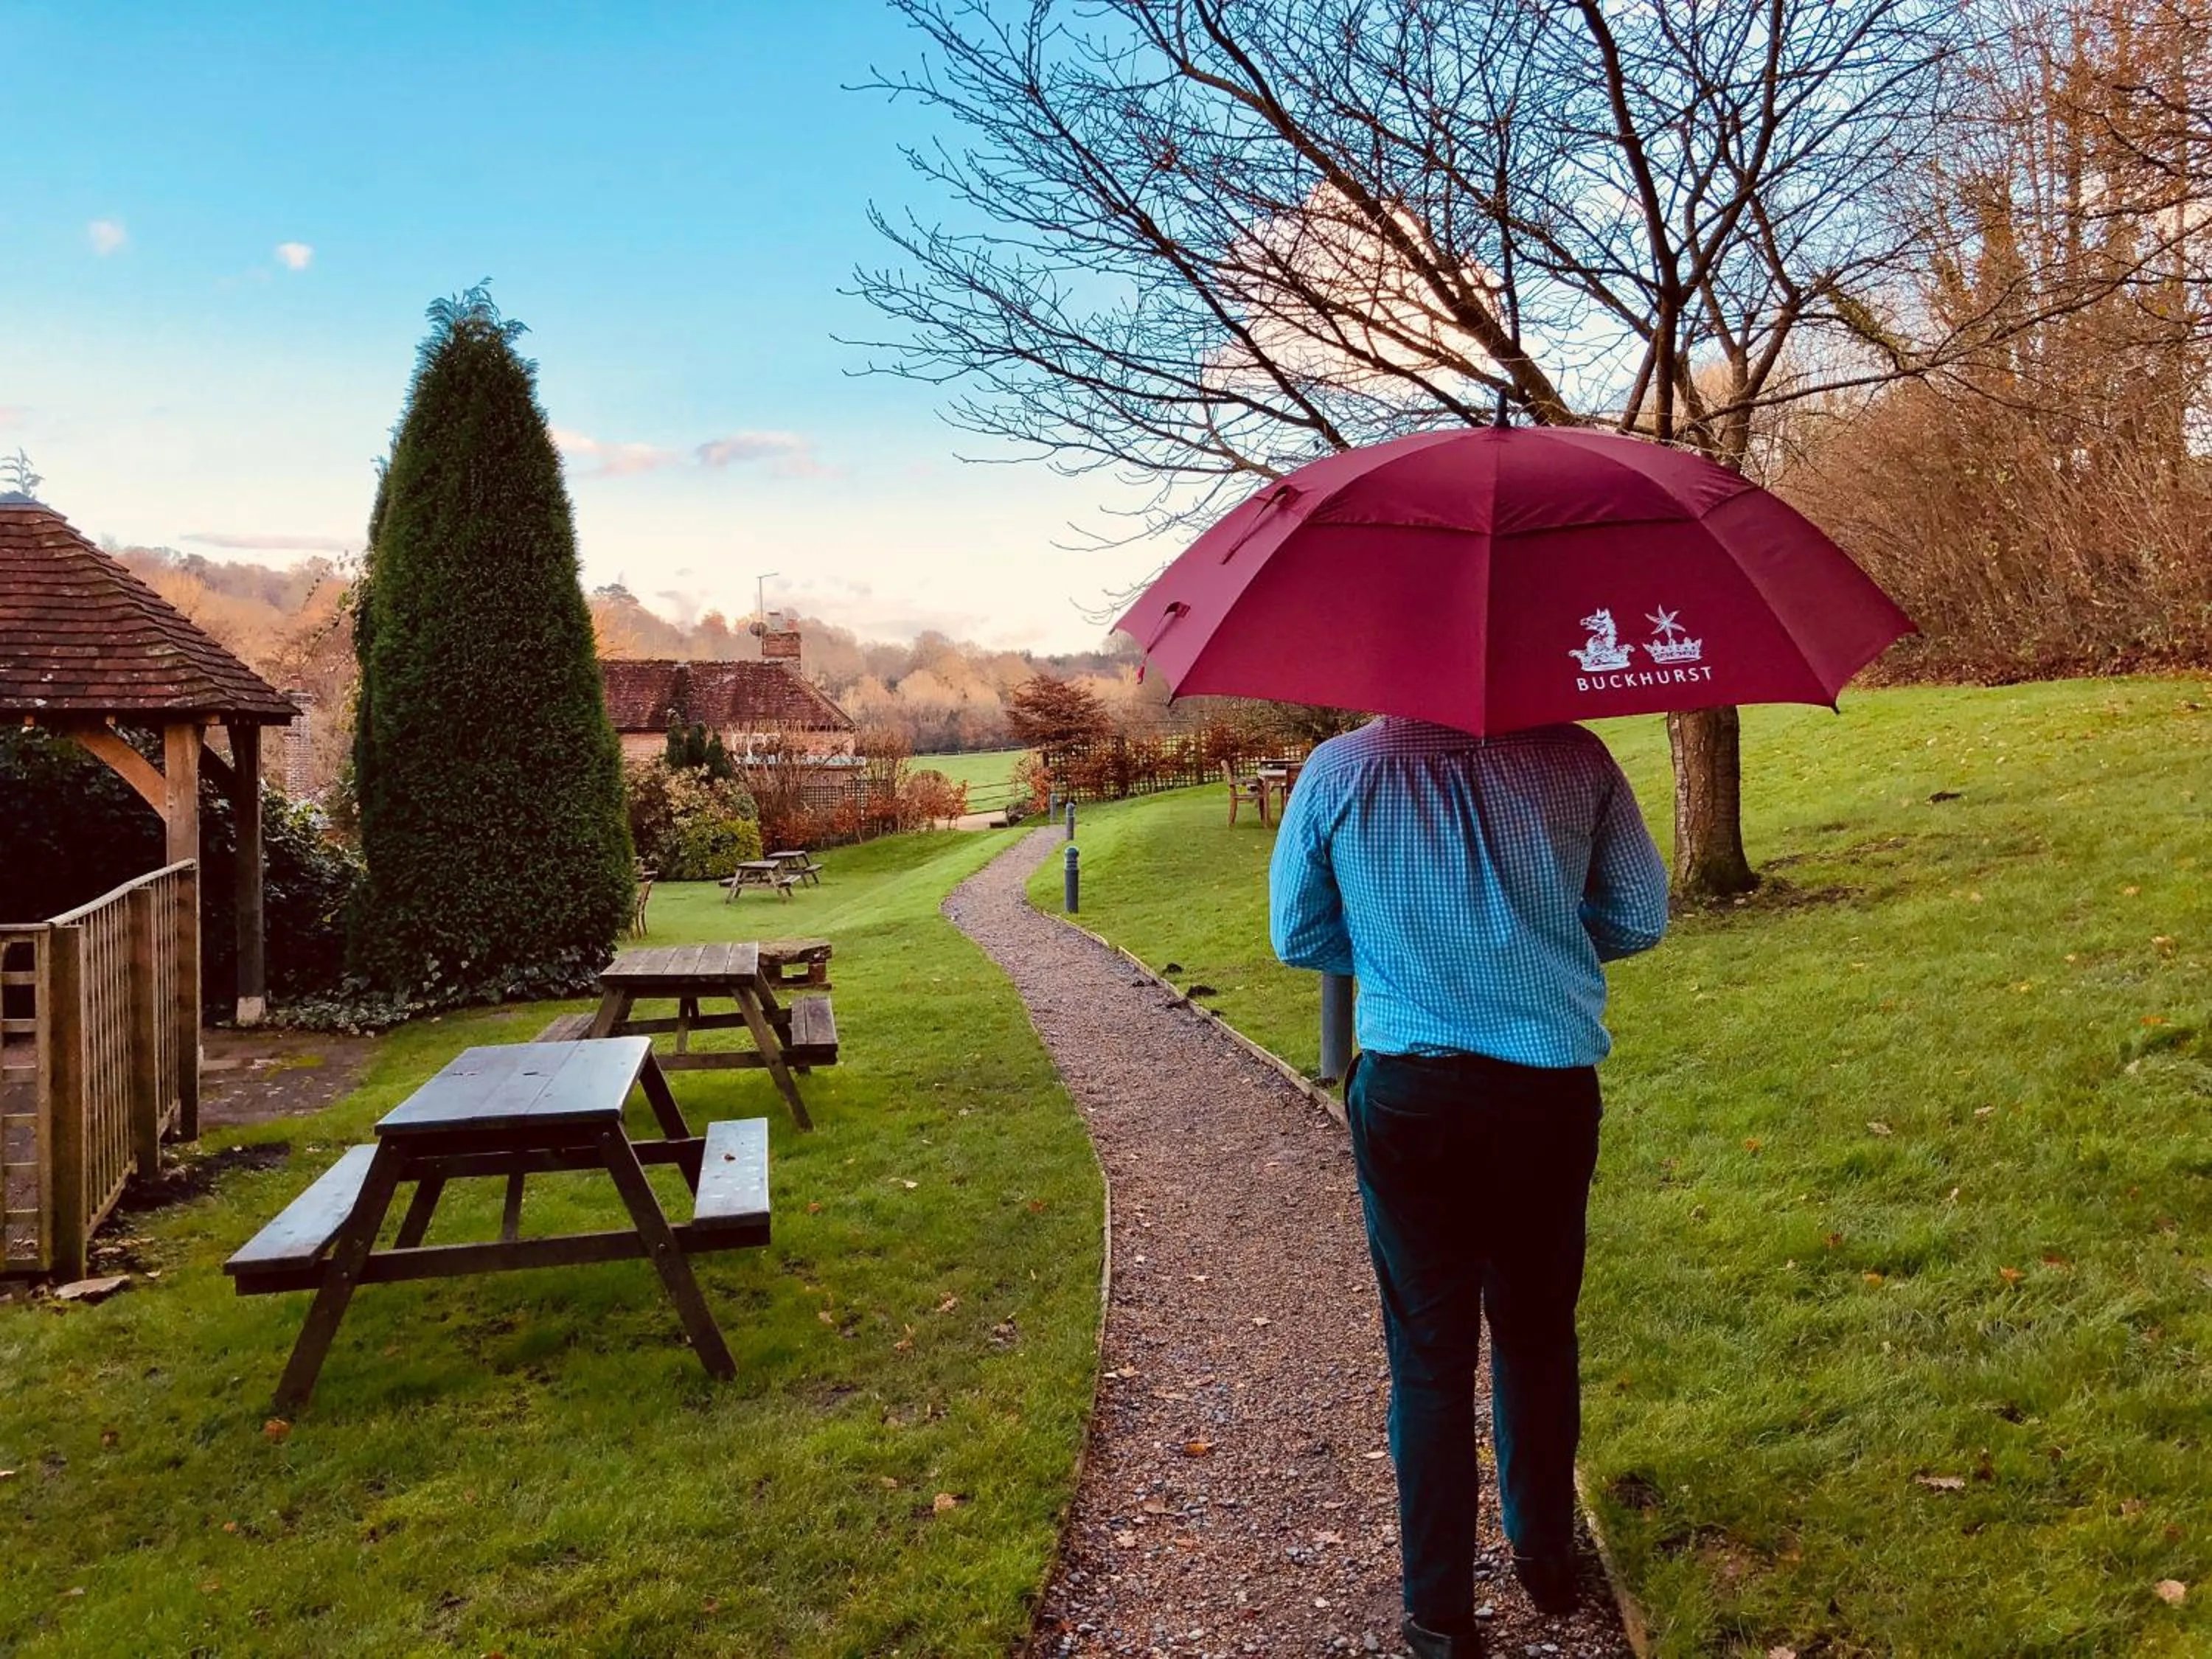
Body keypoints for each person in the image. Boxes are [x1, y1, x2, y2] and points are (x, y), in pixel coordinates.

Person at [1269, 717, 1669, 1659]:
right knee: (1537, 1328)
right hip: (1545, 1093)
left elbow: (1298, 932)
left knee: (1427, 1351)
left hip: (1412, 1095)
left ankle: (1439, 1614)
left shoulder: (1340, 770)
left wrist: (1402, 953)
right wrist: (1533, 949)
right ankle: (1546, 1555)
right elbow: (1638, 915)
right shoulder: (1576, 757)